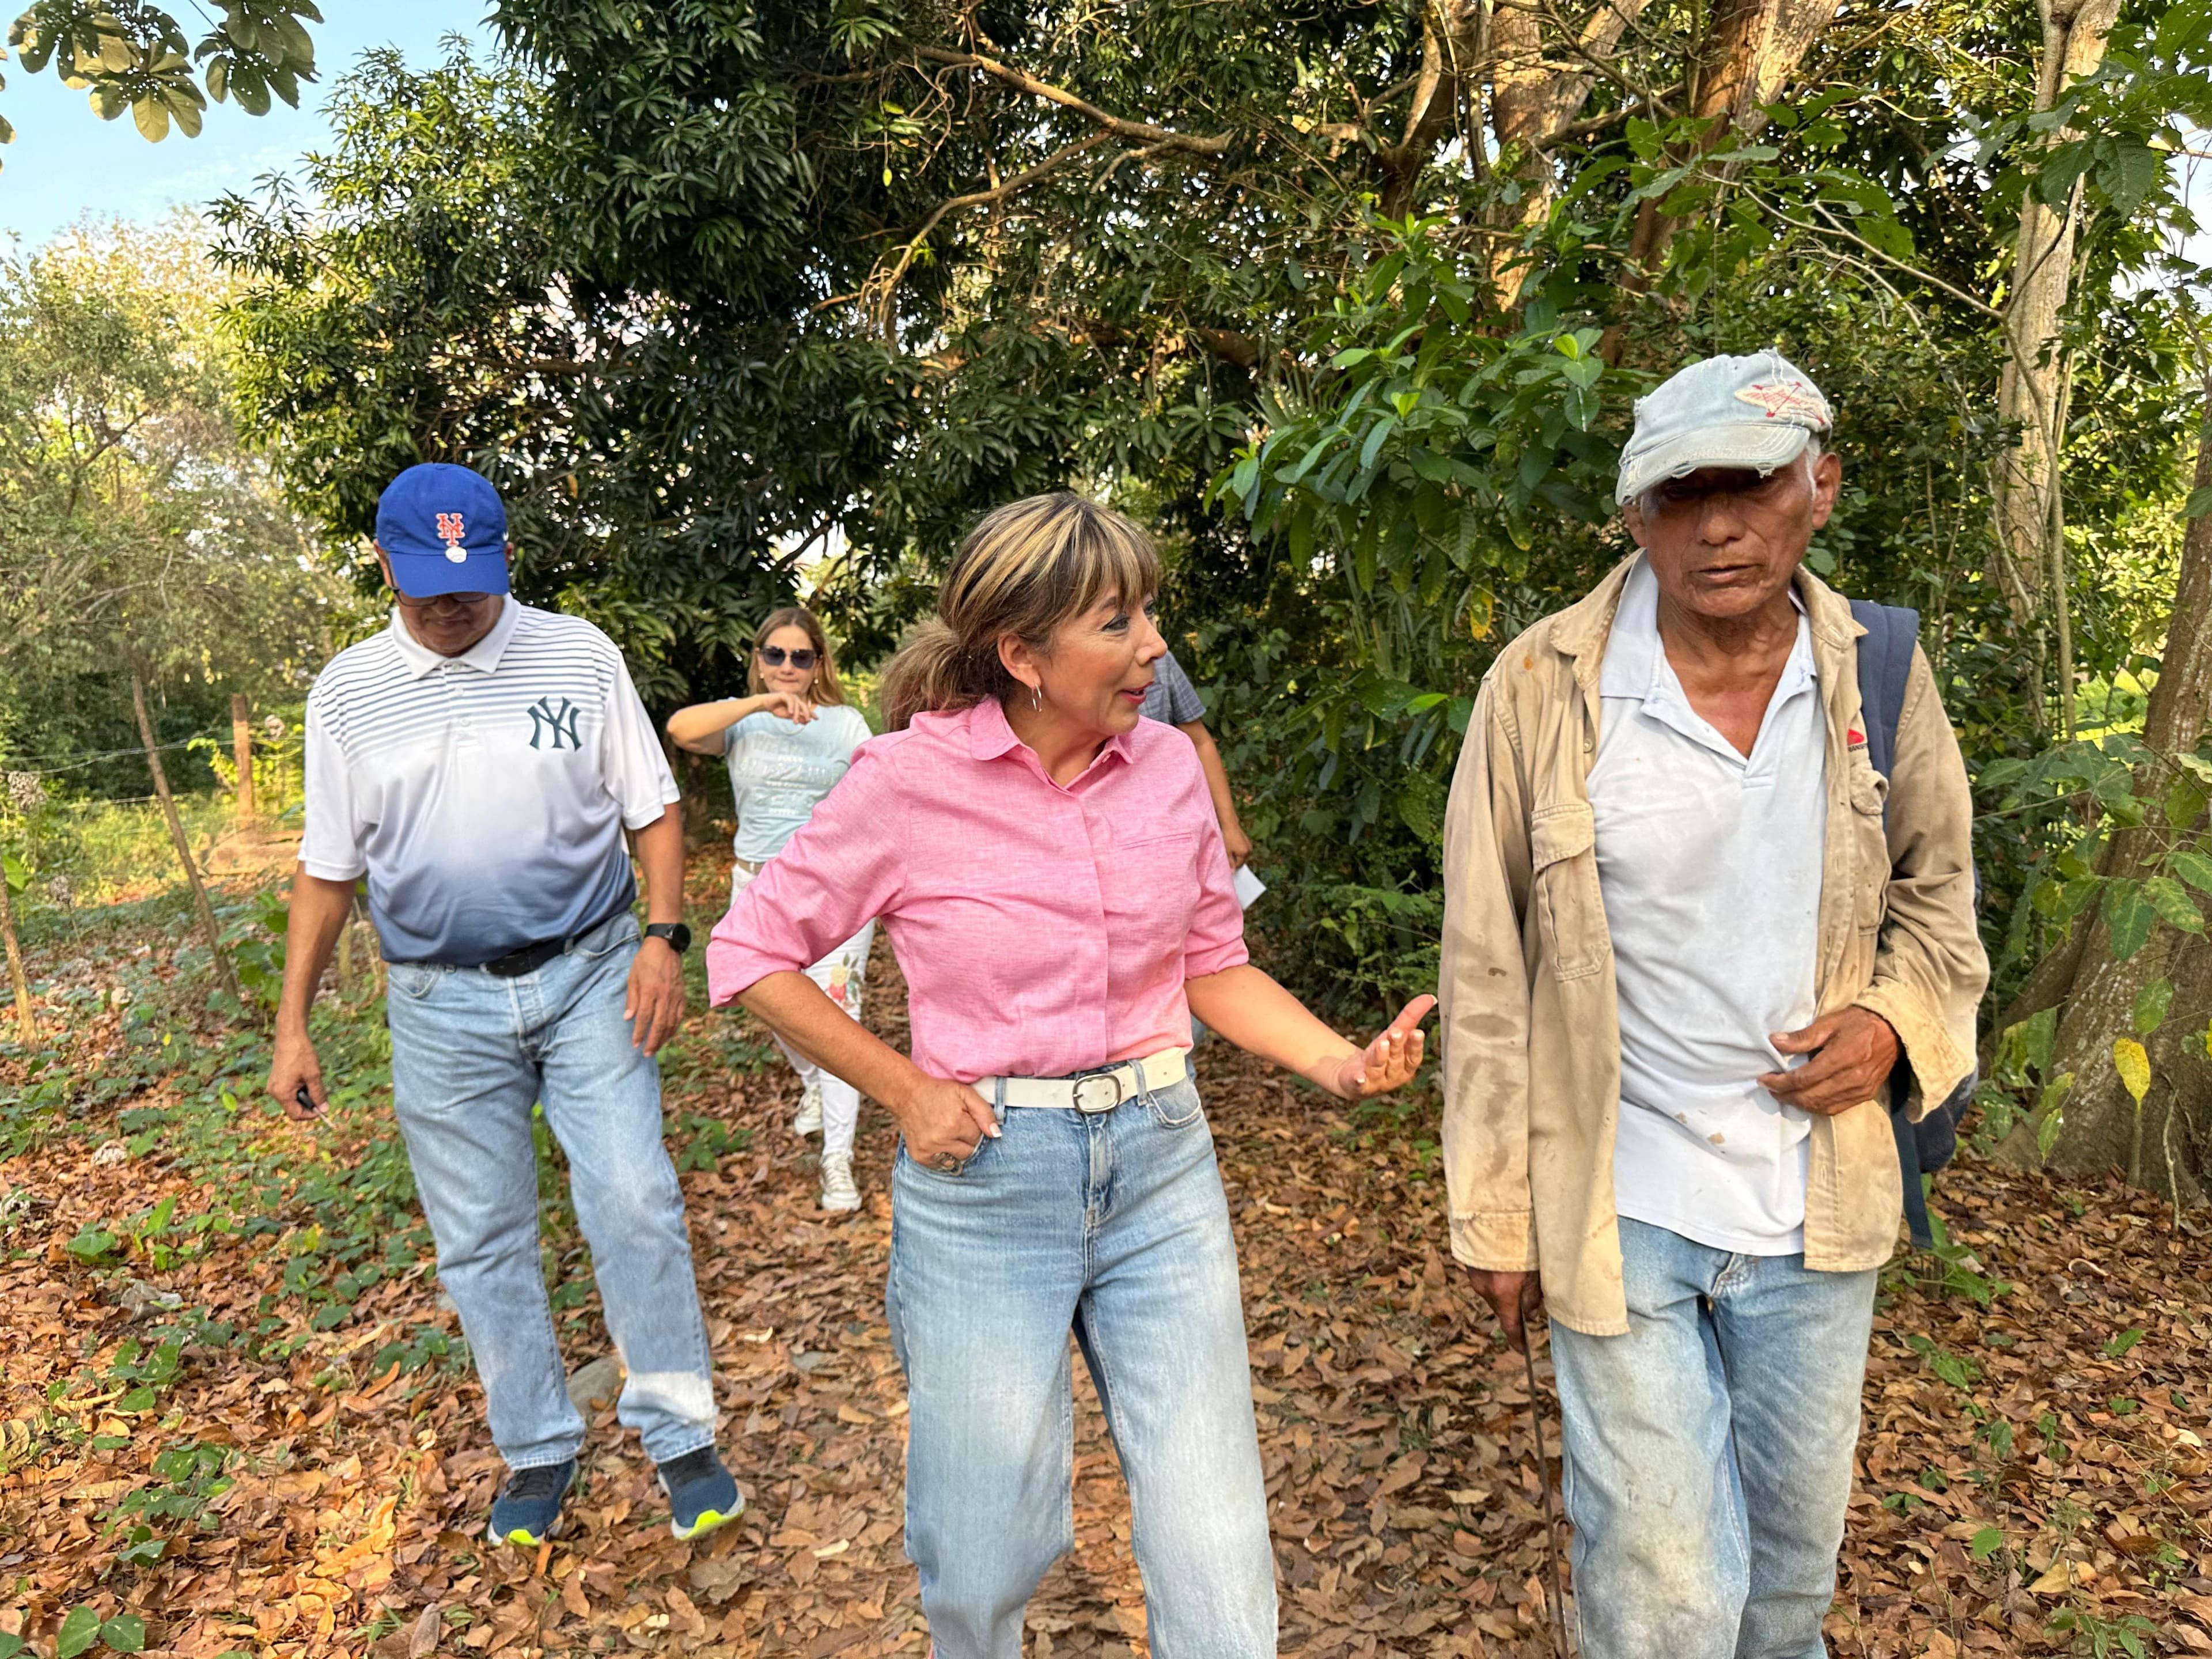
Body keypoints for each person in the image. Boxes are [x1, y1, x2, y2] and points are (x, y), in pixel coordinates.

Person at [705, 493, 1434, 1659]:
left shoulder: (1167, 773)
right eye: (1117, 622)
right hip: (988, 1188)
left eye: (1149, 612)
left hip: (1160, 1168)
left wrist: (1340, 1064)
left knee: (1217, 1544)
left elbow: (1214, 966)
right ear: (1022, 656)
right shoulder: (905, 781)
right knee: (984, 1550)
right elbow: (749, 954)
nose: (1154, 645)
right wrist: (903, 1088)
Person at [1438, 352, 1986, 1658]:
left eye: (1748, 485)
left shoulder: (1877, 679)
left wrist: (1888, 1028)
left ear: (1818, 486)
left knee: (1785, 1589)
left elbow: (1939, 900)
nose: (1716, 524)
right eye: (1677, 494)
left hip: (1814, 1214)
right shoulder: (1540, 687)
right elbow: (1484, 967)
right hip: (1617, 1200)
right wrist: (1495, 1216)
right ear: (1634, 514)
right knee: (1665, 1593)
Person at [266, 462, 740, 1550]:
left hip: (587, 973)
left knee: (631, 1196)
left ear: (505, 558)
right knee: (480, 1236)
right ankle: (536, 1446)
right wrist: (292, 1023)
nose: (450, 603)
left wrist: (665, 939)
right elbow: (328, 868)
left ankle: (680, 1435)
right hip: (439, 1004)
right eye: (424, 581)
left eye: (470, 579)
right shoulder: (346, 693)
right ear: (383, 564)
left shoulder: (577, 653)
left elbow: (653, 807)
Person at [665, 607, 876, 1211]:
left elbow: (879, 787)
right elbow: (681, 729)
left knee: (839, 1018)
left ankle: (837, 1160)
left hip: (832, 894)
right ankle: (814, 1081)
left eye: (801, 657)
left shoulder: (845, 724)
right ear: (759, 660)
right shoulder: (740, 723)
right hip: (756, 888)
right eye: (775, 655)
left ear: (819, 665)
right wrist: (760, 705)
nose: (787, 667)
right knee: (776, 1009)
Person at [1140, 646, 1254, 866]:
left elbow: (1200, 741)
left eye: (1150, 611)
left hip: (1175, 833)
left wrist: (1230, 826)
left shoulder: (1160, 661)